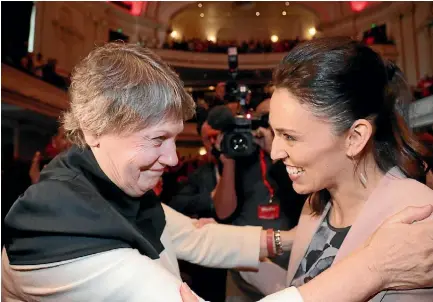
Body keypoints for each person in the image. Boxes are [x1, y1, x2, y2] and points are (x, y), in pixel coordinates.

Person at [2, 43, 433, 302]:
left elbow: (193, 236)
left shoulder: (99, 185)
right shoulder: (58, 226)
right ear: (96, 132)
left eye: (292, 136)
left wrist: (279, 240)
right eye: (157, 140)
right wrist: (371, 268)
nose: (173, 159)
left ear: (355, 137)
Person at [267, 37, 432, 300]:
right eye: (274, 133)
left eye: (290, 137)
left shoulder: (418, 220)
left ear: (355, 137)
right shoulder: (315, 204)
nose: (275, 152)